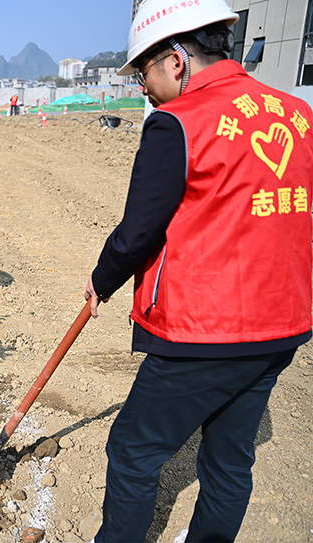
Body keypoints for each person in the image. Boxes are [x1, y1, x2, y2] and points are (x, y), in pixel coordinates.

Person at [83, 0, 313, 541]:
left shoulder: (176, 124)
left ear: (177, 60)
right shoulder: (297, 114)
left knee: (134, 450)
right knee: (230, 460)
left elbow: (138, 231)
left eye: (143, 71)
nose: (141, 85)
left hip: (205, 330)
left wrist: (101, 281)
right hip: (283, 323)